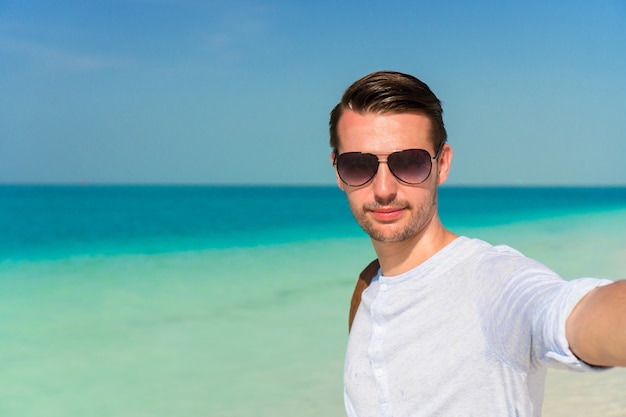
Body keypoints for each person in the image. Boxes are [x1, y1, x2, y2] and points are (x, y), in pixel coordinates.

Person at [329, 70, 626, 417]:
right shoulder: (367, 291)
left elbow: (568, 313)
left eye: (409, 163)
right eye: (359, 165)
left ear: (442, 165)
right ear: (337, 171)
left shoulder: (493, 280)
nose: (383, 189)